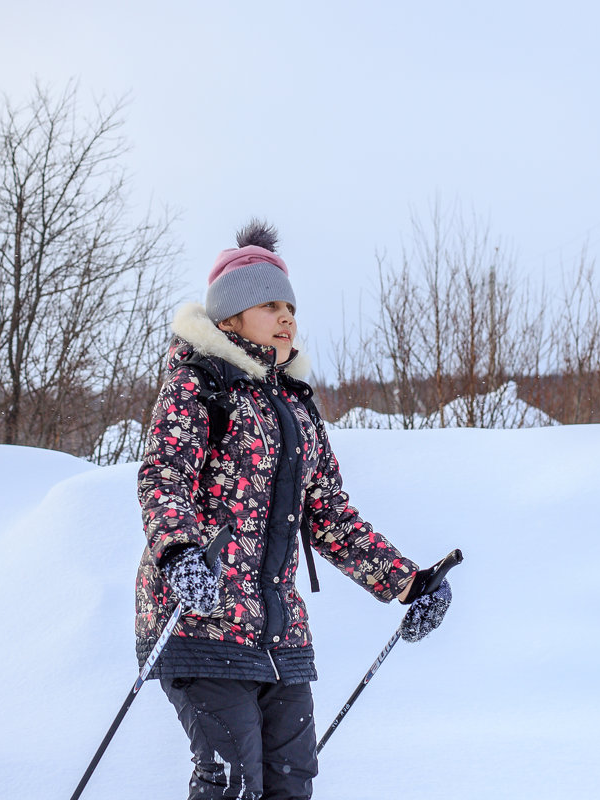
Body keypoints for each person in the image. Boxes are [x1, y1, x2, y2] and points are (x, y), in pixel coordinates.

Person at [135, 218, 449, 800]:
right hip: (202, 618)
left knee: (290, 785)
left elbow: (329, 516)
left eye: (290, 306)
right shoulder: (199, 382)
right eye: (267, 304)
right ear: (230, 318)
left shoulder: (295, 407)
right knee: (233, 783)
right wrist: (179, 555)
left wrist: (409, 583)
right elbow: (164, 476)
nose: (286, 317)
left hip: (280, 634)